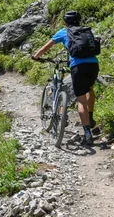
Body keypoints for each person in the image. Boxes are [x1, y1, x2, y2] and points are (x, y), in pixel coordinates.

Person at [32, 11, 99, 145]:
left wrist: (35, 56)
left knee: (80, 99)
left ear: (65, 22)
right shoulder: (85, 30)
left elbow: (46, 48)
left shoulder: (64, 32)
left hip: (78, 67)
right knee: (89, 89)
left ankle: (87, 133)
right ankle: (90, 117)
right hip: (93, 64)